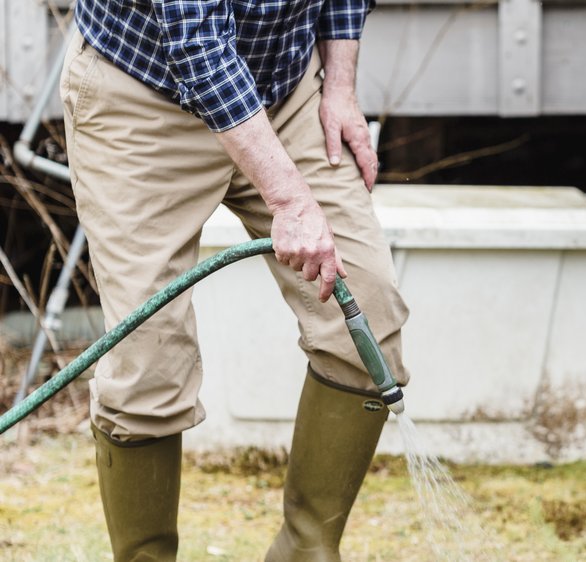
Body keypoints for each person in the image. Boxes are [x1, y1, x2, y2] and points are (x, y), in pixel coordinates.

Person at [60, 0, 410, 560]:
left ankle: (306, 549)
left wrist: (339, 85)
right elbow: (198, 43)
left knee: (365, 313)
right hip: (143, 93)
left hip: (286, 88)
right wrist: (291, 199)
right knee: (147, 363)